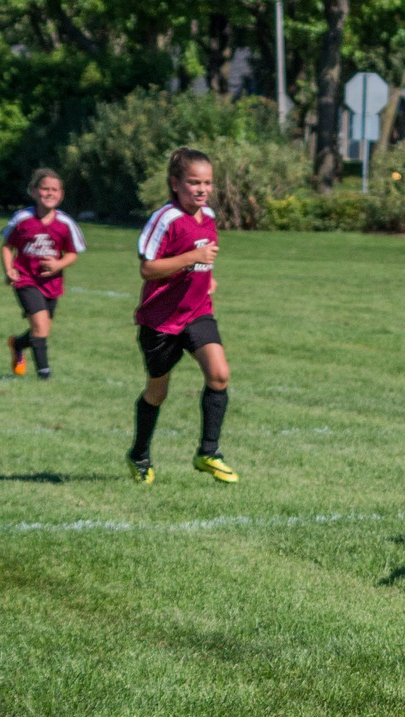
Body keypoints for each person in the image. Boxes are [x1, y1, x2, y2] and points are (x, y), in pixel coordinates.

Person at [126, 147, 238, 485]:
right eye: (193, 182)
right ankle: (140, 455)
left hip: (197, 312)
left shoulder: (211, 217)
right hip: (160, 321)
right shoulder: (166, 219)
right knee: (157, 392)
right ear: (176, 184)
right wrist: (193, 257)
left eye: (207, 183)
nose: (202, 189)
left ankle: (208, 453)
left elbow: (203, 259)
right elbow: (148, 268)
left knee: (219, 375)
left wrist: (207, 273)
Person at [0, 168, 86, 379]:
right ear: (35, 191)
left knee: (43, 329)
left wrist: (58, 264)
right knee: (39, 326)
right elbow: (6, 246)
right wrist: (9, 268)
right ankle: (44, 375)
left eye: (54, 190)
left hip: (51, 283)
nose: (49, 193)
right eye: (44, 189)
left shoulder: (65, 223)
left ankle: (18, 344)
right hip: (26, 279)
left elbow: (73, 253)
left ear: (61, 194)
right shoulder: (22, 219)